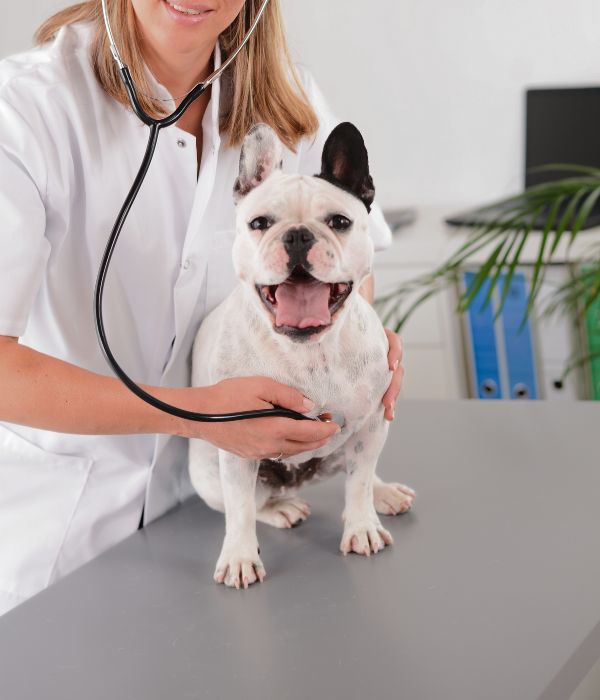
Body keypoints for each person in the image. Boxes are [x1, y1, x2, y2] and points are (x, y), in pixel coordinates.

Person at [0, 0, 404, 615]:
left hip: (236, 516)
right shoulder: (24, 110)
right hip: (63, 536)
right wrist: (199, 418)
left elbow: (350, 256)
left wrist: (353, 334)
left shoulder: (290, 102)